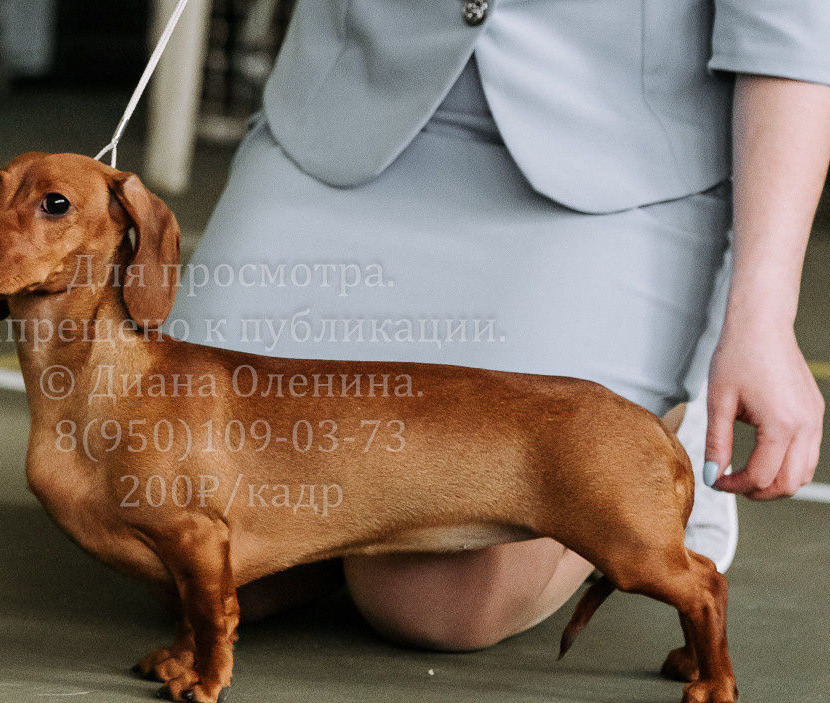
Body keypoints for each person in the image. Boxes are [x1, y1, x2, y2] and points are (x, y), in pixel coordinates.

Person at [165, 0, 829, 650]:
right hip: (344, 114)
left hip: (617, 169)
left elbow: (790, 36)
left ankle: (649, 462)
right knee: (178, 533)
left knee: (436, 600)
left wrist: (761, 316)